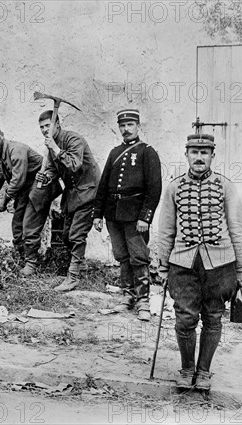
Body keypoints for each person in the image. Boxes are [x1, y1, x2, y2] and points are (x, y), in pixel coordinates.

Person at [157, 133, 242, 391]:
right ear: (186, 154)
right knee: (185, 317)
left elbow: (237, 227)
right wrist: (163, 265)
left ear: (212, 156)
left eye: (204, 152)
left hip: (220, 263)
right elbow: (165, 230)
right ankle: (187, 369)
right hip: (183, 264)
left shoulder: (225, 186)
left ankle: (204, 371)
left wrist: (241, 267)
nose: (199, 157)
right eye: (194, 152)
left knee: (213, 316)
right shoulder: (174, 187)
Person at [92, 109, 162, 321]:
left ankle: (142, 301)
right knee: (122, 256)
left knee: (138, 258)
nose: (126, 129)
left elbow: (154, 188)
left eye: (130, 125)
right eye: (122, 125)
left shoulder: (147, 152)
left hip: (135, 216)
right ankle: (127, 296)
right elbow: (103, 186)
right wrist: (97, 214)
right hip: (113, 214)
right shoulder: (114, 153)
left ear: (138, 126)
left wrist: (145, 217)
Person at [35, 110, 101, 291]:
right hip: (72, 194)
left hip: (88, 191)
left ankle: (73, 277)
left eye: (47, 125)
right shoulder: (51, 146)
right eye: (41, 127)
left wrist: (55, 149)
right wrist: (47, 176)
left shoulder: (74, 140)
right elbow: (54, 170)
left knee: (76, 235)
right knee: (66, 235)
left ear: (57, 124)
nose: (44, 130)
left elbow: (73, 165)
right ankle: (81, 265)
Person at [0, 124, 49, 276]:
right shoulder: (2, 155)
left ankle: (31, 264)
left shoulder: (16, 150)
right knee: (17, 226)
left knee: (29, 226)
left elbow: (17, 180)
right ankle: (21, 259)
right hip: (25, 191)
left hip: (40, 188)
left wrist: (4, 200)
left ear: (1, 135)